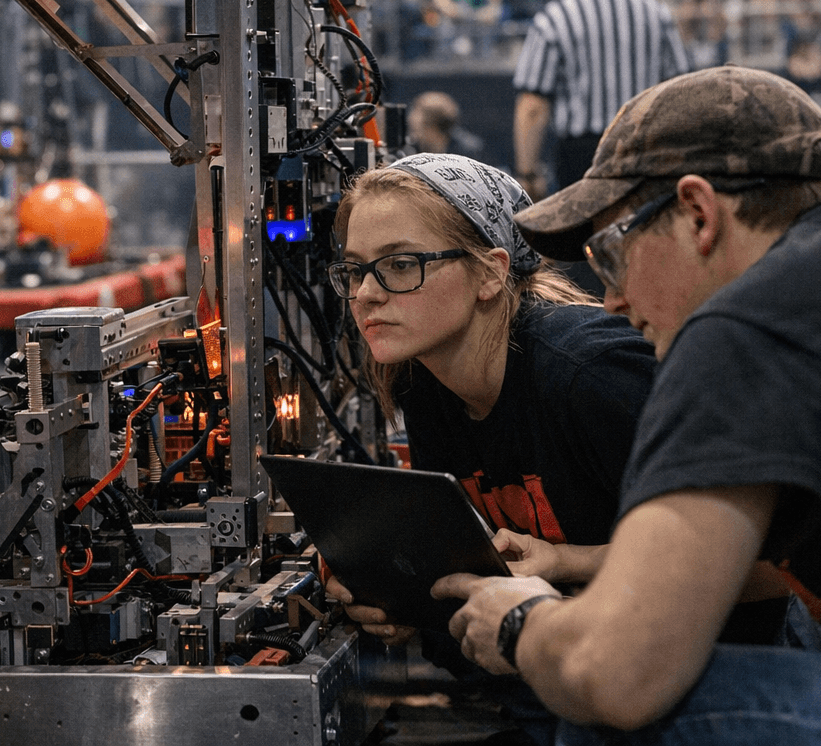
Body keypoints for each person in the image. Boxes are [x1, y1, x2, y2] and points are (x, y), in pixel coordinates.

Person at [435, 66, 821, 745]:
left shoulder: (753, 315)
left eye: (611, 255)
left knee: (611, 718)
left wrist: (520, 624)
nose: (613, 300)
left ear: (698, 213)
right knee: (813, 614)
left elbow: (618, 674)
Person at [322, 154, 793, 675]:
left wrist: (573, 562)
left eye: (400, 265)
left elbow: (776, 565)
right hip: (578, 678)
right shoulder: (423, 381)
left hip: (712, 675)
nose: (365, 294)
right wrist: (410, 600)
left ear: (490, 273)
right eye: (354, 269)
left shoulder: (590, 375)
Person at [511, 0, 692, 202]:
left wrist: (527, 173)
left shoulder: (555, 17)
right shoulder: (656, 13)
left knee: (583, 240)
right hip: (643, 150)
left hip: (582, 157)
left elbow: (533, 107)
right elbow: (680, 93)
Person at [406, 91, 486, 160]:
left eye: (416, 129)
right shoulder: (409, 150)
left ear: (431, 127)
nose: (413, 135)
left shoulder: (466, 151)